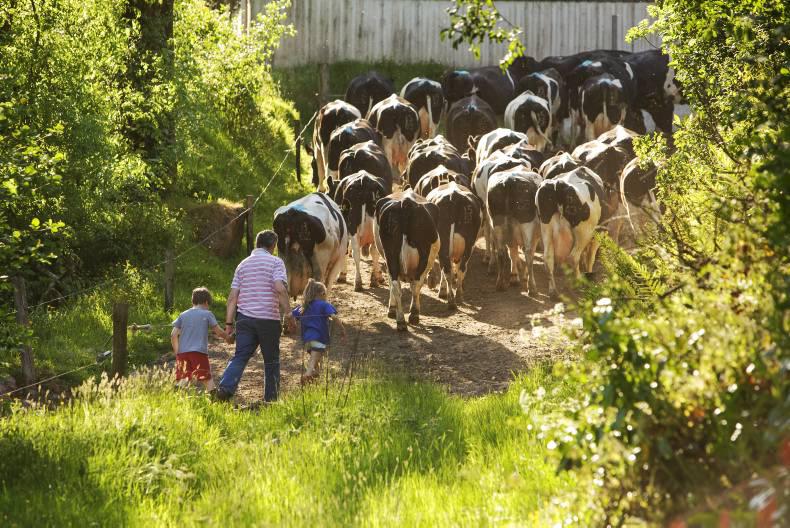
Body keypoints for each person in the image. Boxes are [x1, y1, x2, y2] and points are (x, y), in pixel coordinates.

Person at [215, 230, 292, 402]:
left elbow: (232, 297)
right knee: (271, 361)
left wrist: (228, 324)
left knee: (240, 356)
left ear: (257, 243)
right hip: (268, 320)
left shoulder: (242, 265)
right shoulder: (276, 262)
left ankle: (225, 389)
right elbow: (279, 288)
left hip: (244, 319)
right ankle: (270, 400)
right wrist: (288, 313)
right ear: (273, 246)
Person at [171, 287, 229, 392]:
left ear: (193, 301)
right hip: (198, 352)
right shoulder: (207, 314)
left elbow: (173, 335)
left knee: (184, 378)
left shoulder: (183, 314)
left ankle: (176, 395)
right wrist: (228, 337)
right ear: (207, 302)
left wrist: (177, 352)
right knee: (206, 378)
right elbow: (219, 331)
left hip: (182, 353)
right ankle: (214, 398)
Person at [292, 278, 346, 385]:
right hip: (319, 337)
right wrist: (342, 329)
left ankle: (316, 374)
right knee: (313, 360)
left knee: (317, 357)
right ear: (322, 293)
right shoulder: (324, 305)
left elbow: (290, 315)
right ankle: (308, 373)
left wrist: (291, 324)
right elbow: (334, 317)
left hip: (307, 339)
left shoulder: (304, 306)